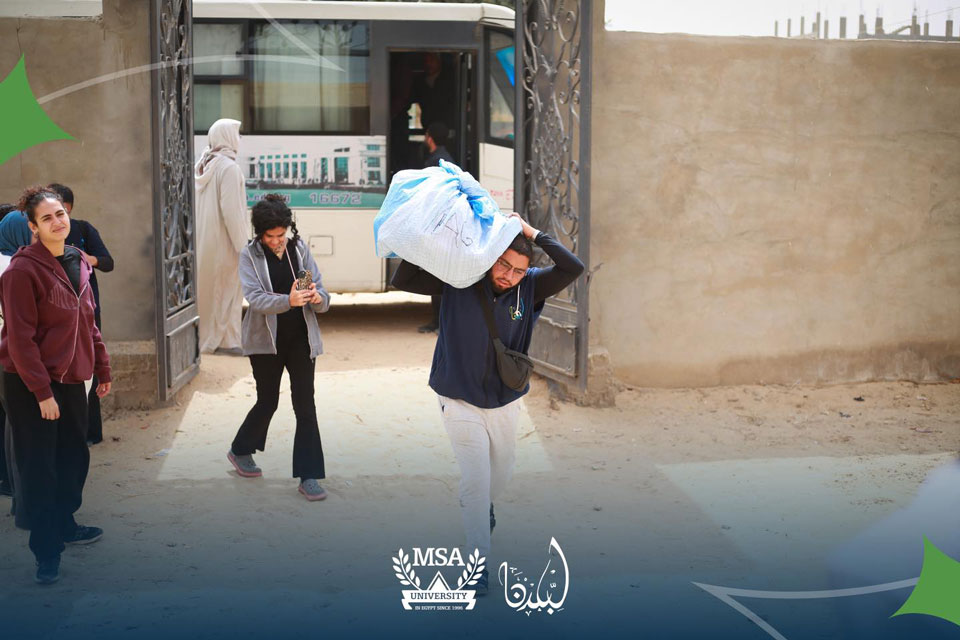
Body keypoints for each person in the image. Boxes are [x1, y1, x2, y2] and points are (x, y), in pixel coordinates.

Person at [392, 212, 585, 594]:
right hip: (457, 397)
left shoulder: (531, 286)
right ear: (492, 255)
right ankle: (476, 567)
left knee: (501, 473)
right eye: (504, 265)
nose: (509, 276)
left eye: (518, 270)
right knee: (476, 482)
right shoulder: (460, 276)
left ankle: (483, 507)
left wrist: (531, 232)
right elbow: (404, 278)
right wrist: (437, 235)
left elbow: (572, 267)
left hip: (504, 400)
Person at [0, 186, 111, 585]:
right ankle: (46, 552)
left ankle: (64, 523)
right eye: (46, 218)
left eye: (60, 214)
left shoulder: (78, 259)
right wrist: (42, 392)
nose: (57, 221)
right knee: (39, 467)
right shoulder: (20, 271)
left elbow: (88, 321)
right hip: (30, 381)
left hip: (72, 376)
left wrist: (102, 367)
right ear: (33, 227)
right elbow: (20, 339)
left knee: (73, 458)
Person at [227, 194, 331, 502]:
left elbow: (320, 291)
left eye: (280, 235)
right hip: (265, 343)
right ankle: (240, 449)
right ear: (260, 233)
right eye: (269, 236)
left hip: (301, 339)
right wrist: (288, 300)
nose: (276, 242)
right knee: (268, 400)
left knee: (305, 405)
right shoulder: (249, 256)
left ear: (288, 229)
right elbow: (255, 298)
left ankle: (309, 476)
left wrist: (316, 298)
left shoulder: (299, 250)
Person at [49, 183, 114, 445]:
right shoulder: (41, 235)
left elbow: (108, 262)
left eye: (61, 211)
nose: (57, 219)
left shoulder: (83, 229)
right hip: (55, 315)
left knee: (89, 366)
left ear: (70, 208)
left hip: (86, 311)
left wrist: (86, 258)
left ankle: (91, 432)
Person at [195, 118, 249, 355]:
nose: (239, 139)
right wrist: (244, 248)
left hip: (206, 241)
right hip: (225, 243)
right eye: (237, 134)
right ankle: (224, 341)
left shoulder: (204, 165)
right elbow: (232, 213)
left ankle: (219, 339)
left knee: (212, 291)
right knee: (227, 291)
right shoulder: (228, 168)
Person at [416, 121, 456, 335]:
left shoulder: (436, 162)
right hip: (442, 224)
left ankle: (440, 322)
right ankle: (438, 321)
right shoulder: (444, 159)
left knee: (438, 277)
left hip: (438, 224)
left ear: (429, 138)